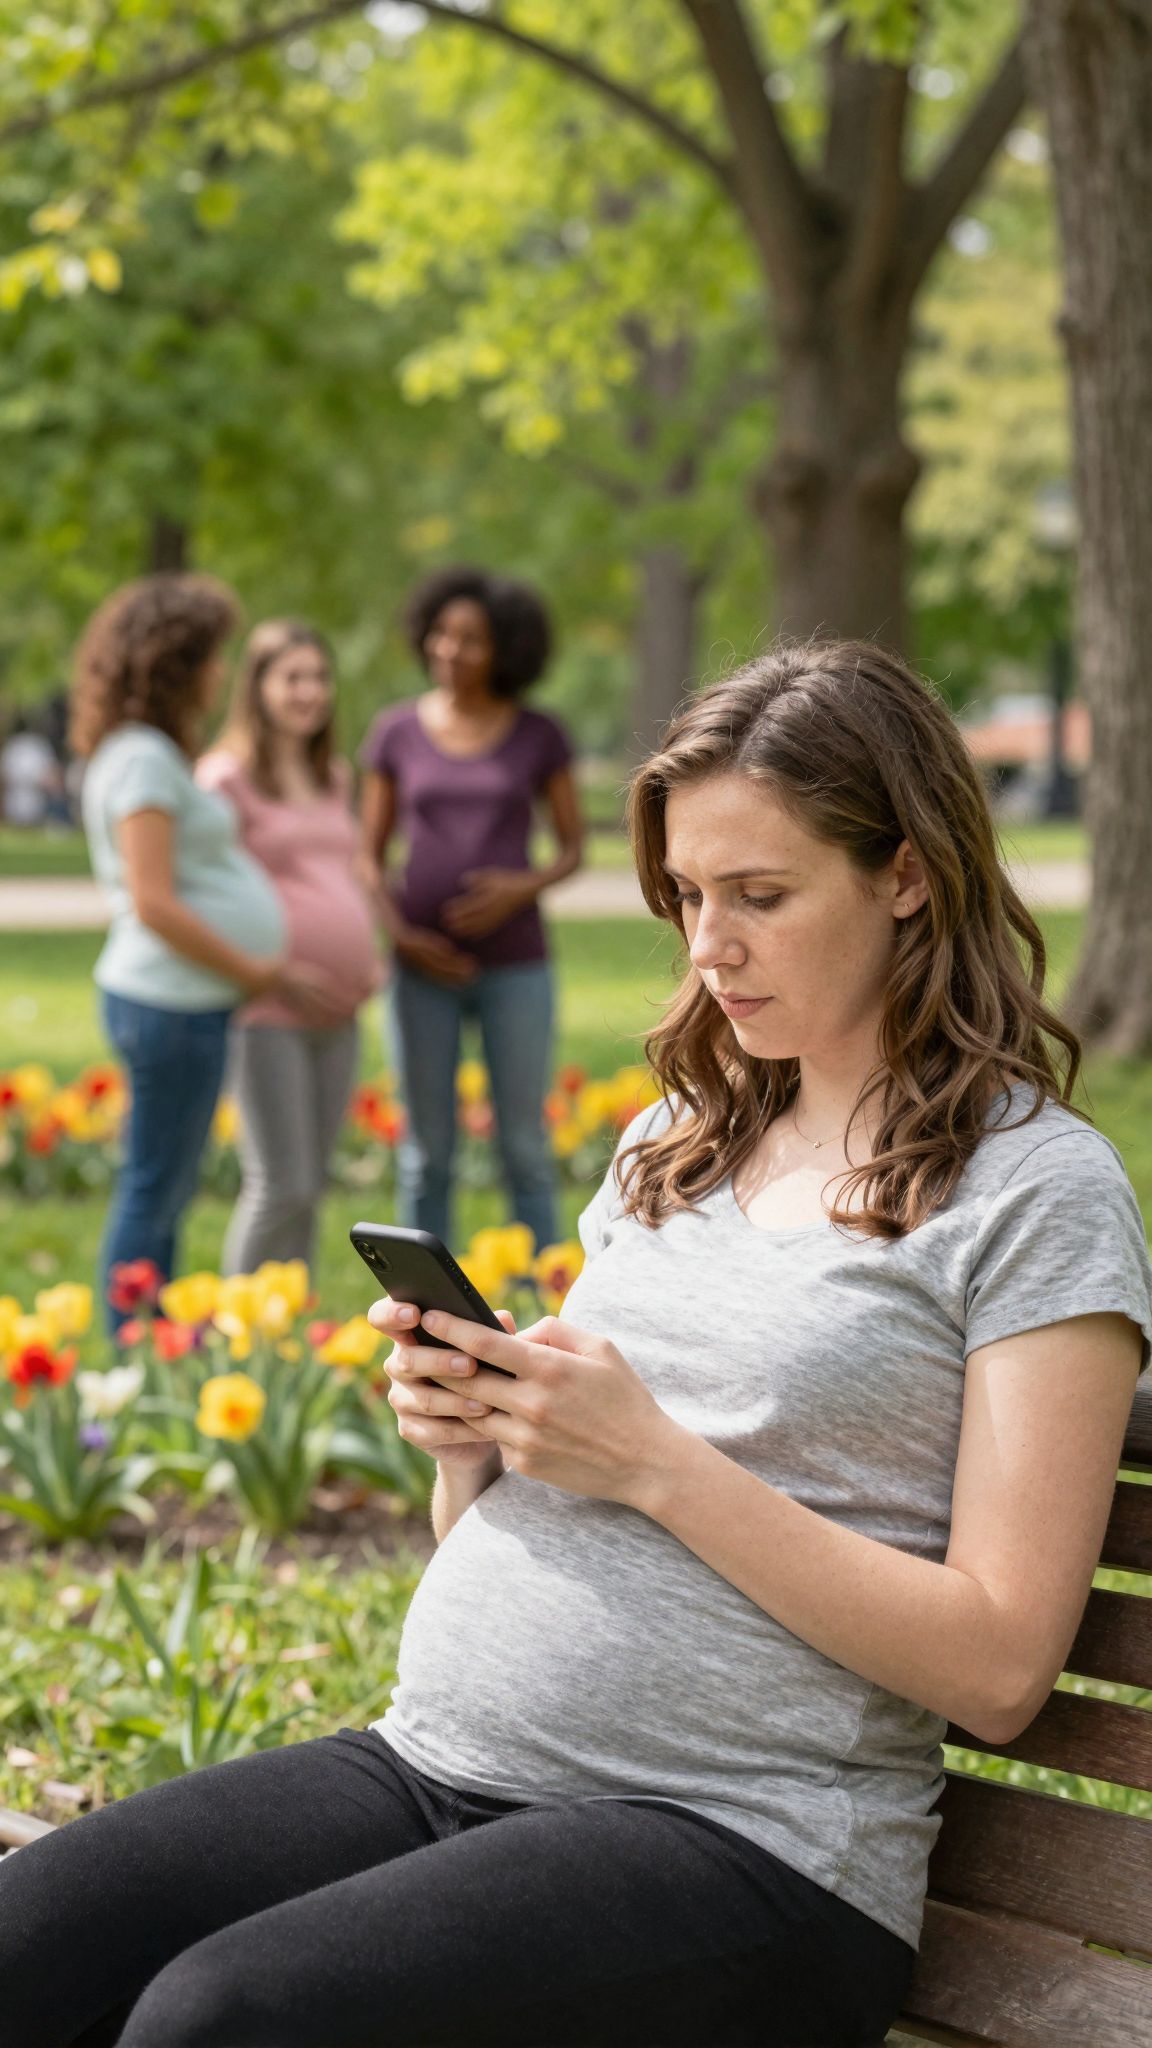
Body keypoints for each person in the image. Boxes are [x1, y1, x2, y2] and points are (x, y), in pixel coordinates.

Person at [4, 639, 1150, 2048]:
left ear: (905, 874)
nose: (707, 943)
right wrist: (473, 1437)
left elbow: (998, 1664)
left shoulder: (1038, 1193)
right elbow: (516, 1521)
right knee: (28, 1943)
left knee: (220, 2021)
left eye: (760, 896)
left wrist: (659, 1465)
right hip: (439, 1761)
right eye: (685, 895)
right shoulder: (681, 1137)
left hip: (751, 1847)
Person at [71, 574, 340, 1329]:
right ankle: (134, 1339)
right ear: (173, 662)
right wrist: (257, 971)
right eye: (211, 657)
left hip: (182, 1003)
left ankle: (146, 1336)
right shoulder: (142, 761)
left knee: (167, 1183)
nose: (220, 674)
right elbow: (153, 900)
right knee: (155, 1185)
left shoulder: (143, 754)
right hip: (167, 1005)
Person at [361, 565, 584, 1256]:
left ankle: (543, 1292)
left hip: (516, 964)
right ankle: (424, 1303)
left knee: (522, 1141)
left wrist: (523, 887)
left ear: (506, 649)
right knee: (426, 1149)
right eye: (441, 635)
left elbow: (574, 848)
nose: (452, 651)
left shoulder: (538, 733)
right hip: (420, 967)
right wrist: (400, 936)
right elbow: (366, 855)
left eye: (472, 639)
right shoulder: (395, 731)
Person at [197, 621, 380, 1275]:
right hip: (267, 1007)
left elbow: (342, 874)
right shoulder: (225, 779)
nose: (310, 691)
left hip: (339, 1007)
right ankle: (235, 1324)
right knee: (280, 1184)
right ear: (259, 687)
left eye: (319, 677)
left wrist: (368, 952)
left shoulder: (331, 774)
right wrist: (268, 973)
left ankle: (287, 1328)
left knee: (310, 1187)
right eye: (292, 677)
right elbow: (203, 892)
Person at [0, 711, 60, 827]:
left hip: (35, 802)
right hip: (17, 802)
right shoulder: (17, 745)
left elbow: (50, 776)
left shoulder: (35, 744)